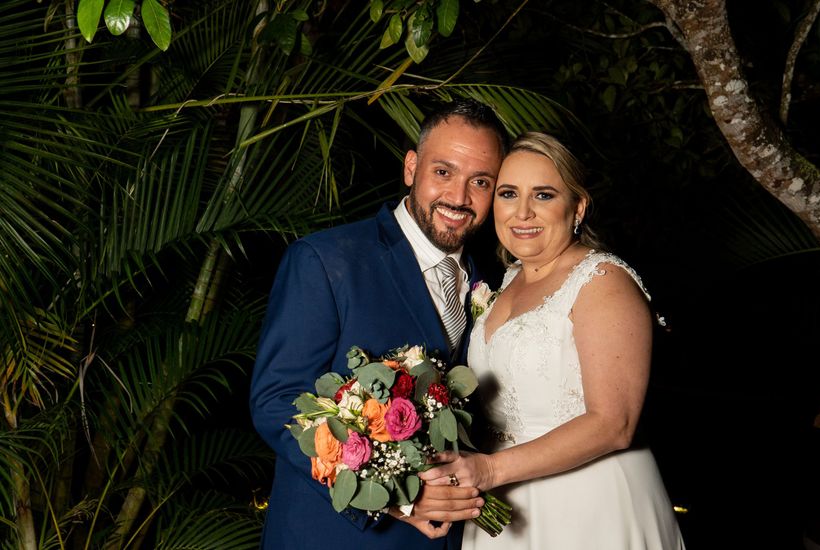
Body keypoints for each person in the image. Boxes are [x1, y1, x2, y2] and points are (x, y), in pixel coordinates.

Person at [249, 99, 509, 549]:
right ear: (411, 167)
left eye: (480, 182)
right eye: (443, 172)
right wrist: (397, 497)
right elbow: (276, 404)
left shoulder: (493, 284)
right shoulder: (326, 261)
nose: (459, 197)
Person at [421, 132, 686, 549]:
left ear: (577, 207)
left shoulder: (602, 281)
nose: (522, 212)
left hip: (588, 507)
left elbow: (614, 423)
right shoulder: (503, 283)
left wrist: (489, 471)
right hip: (504, 511)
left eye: (543, 195)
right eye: (509, 194)